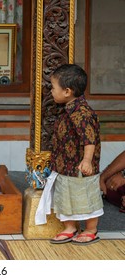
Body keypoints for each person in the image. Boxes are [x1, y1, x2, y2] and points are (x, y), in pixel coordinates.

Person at [46, 64, 103, 245]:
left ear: (67, 91)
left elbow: (89, 139)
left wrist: (87, 160)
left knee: (86, 197)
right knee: (66, 198)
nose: (51, 92)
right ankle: (70, 227)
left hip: (80, 167)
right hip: (65, 167)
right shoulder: (67, 109)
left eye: (53, 88)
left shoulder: (82, 113)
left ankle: (91, 229)